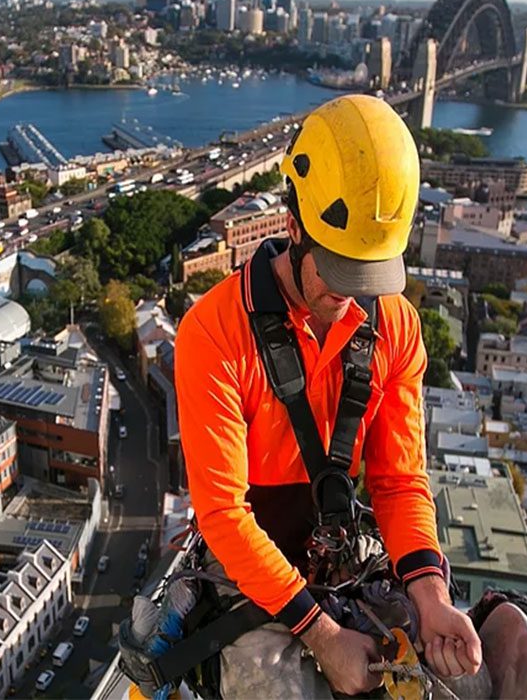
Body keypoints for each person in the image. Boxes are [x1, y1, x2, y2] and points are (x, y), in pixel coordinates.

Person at [175, 93, 481, 698]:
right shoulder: (216, 334)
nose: (353, 295)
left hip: (344, 553)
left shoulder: (394, 325)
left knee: (472, 673)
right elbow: (224, 516)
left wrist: (431, 595)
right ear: (294, 226)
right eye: (340, 271)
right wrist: (321, 635)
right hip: (248, 570)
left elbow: (398, 480)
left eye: (368, 275)